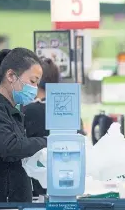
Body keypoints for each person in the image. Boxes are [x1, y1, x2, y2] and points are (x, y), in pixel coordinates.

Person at [0, 48, 47, 202]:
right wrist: (48, 142)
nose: (35, 89)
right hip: (1, 203)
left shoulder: (11, 112)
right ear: (11, 76)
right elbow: (12, 147)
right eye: (32, 81)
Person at [23, 57, 86, 196]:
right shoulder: (70, 109)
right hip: (69, 184)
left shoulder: (29, 110)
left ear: (35, 80)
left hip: (35, 188)